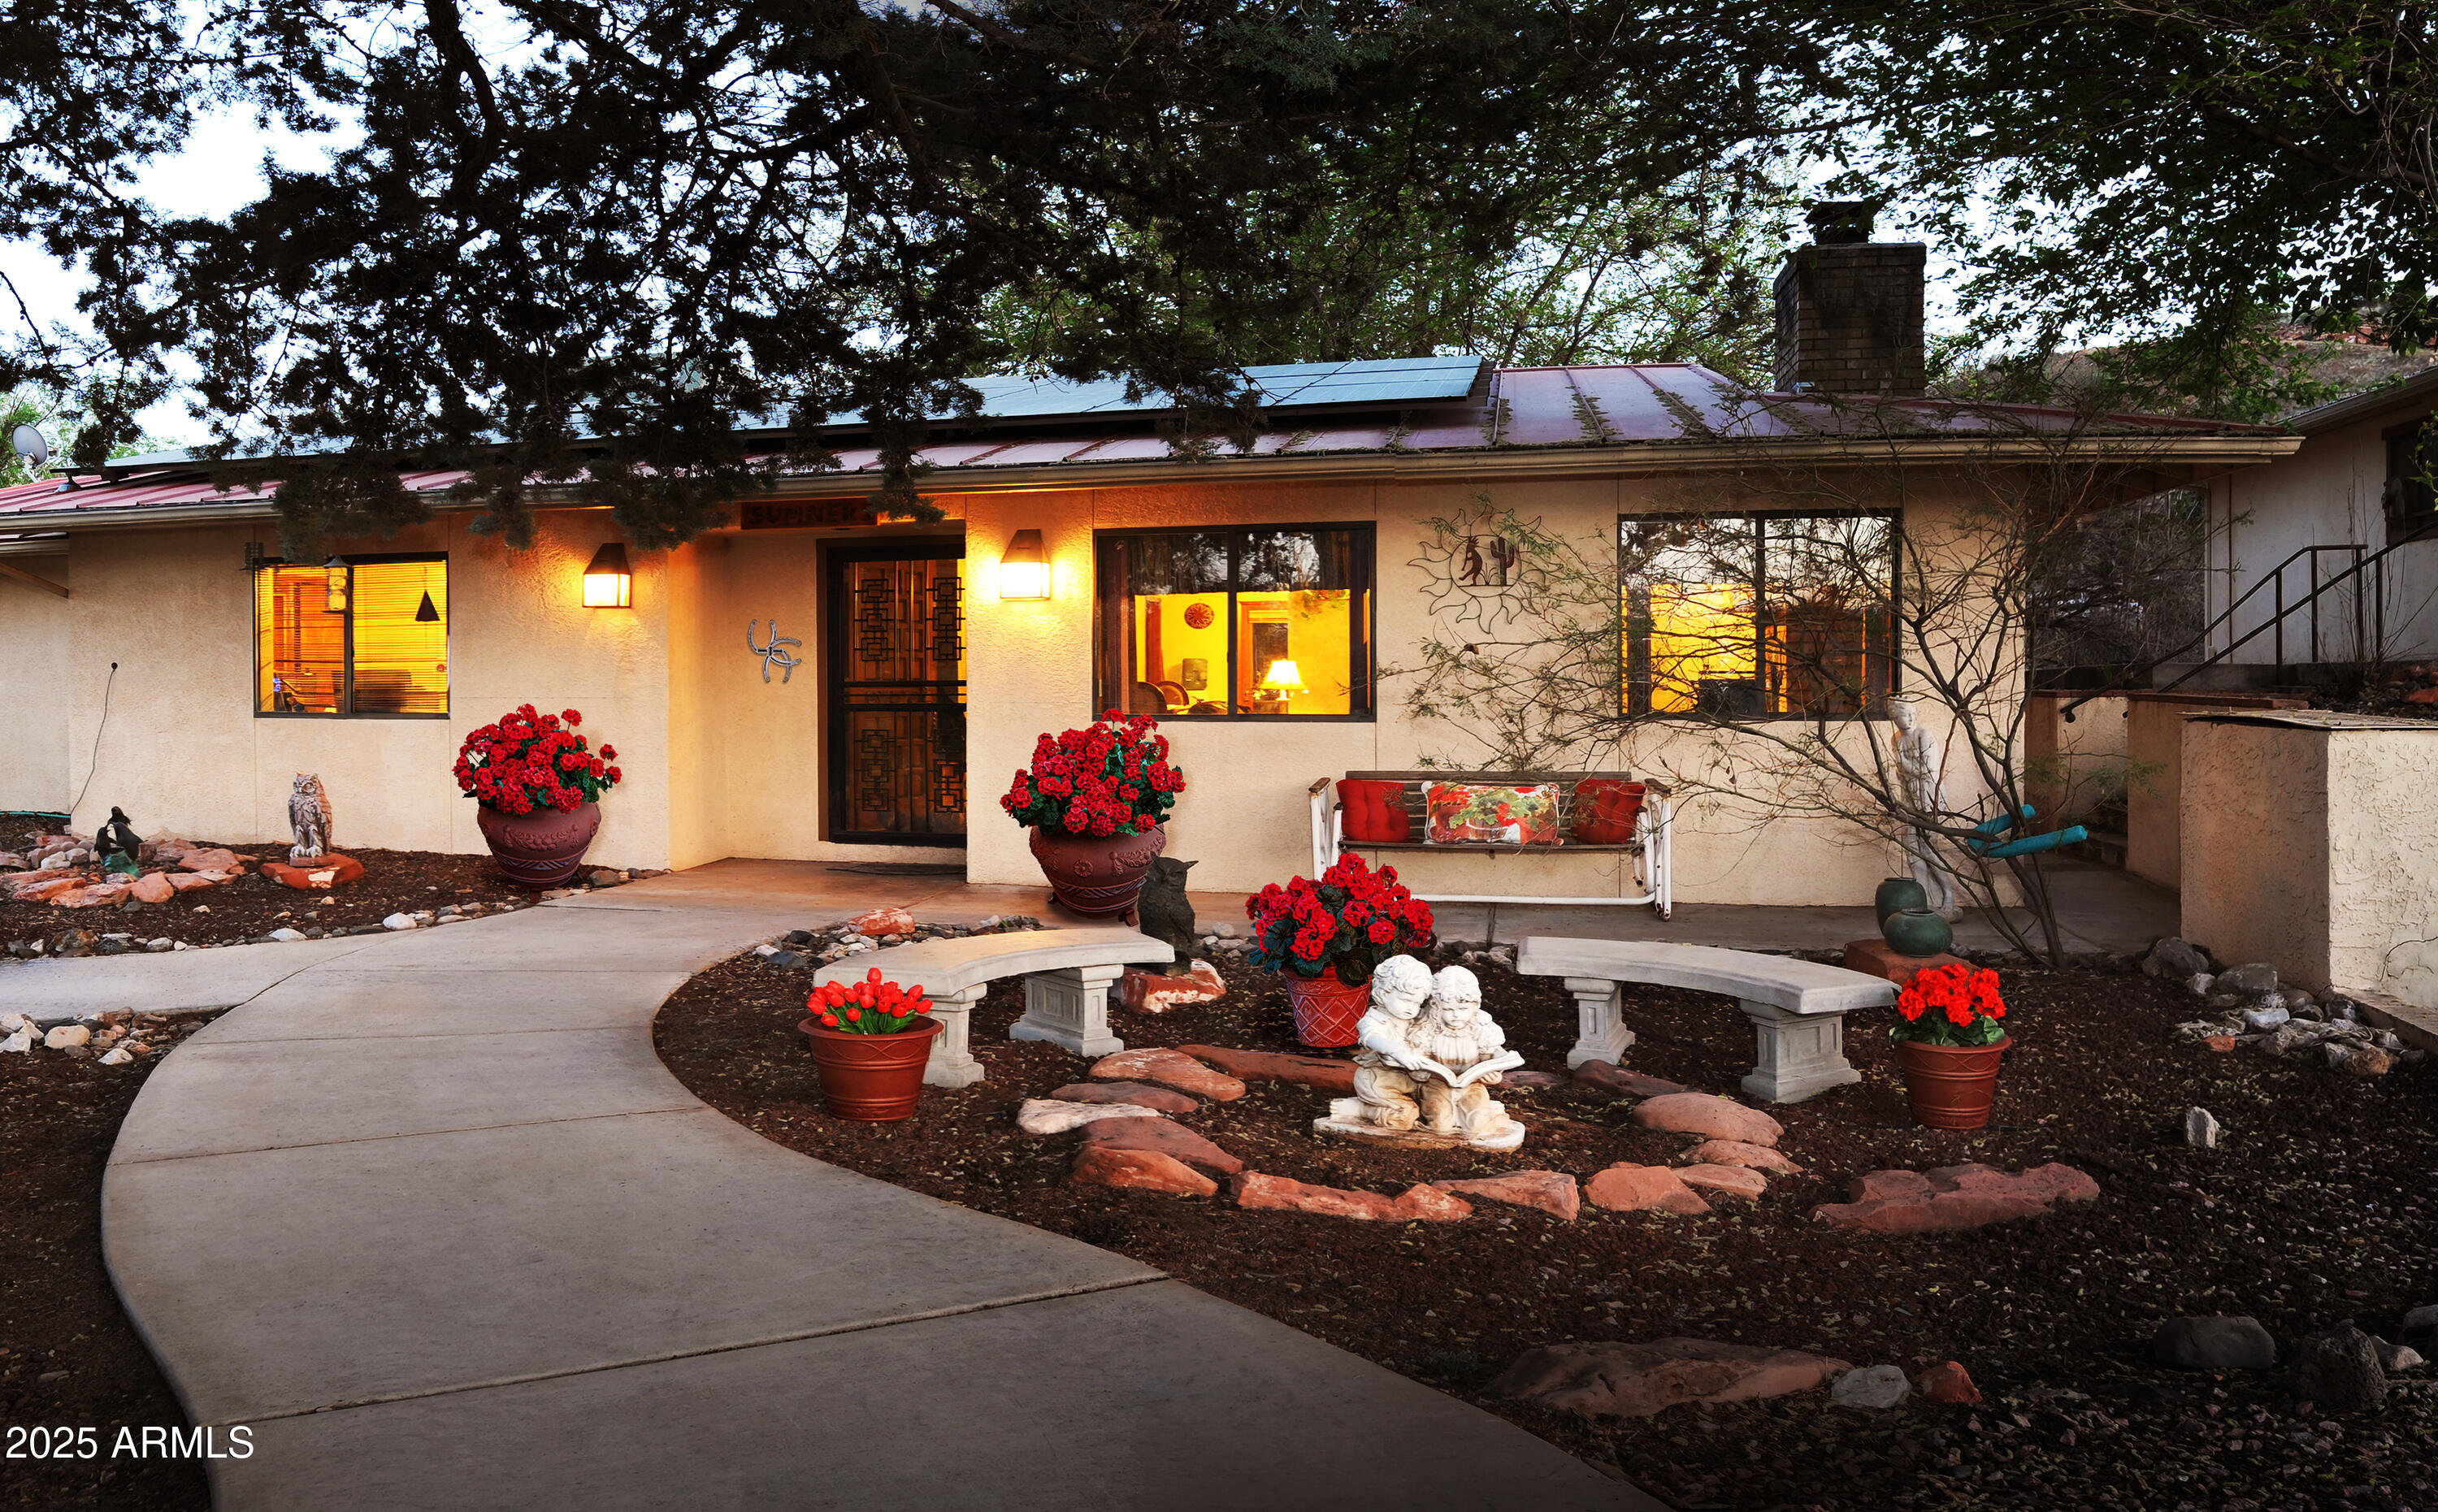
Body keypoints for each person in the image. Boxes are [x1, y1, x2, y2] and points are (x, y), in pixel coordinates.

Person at [1890, 697, 1960, 919]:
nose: (1909, 719)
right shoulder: (1897, 739)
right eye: (1903, 715)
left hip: (1929, 798)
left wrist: (1903, 763)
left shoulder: (1924, 735)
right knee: (1912, 852)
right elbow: (1902, 775)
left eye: (1912, 714)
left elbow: (1928, 771)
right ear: (1894, 718)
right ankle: (1925, 899)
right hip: (1911, 798)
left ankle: (1948, 896)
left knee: (1929, 850)